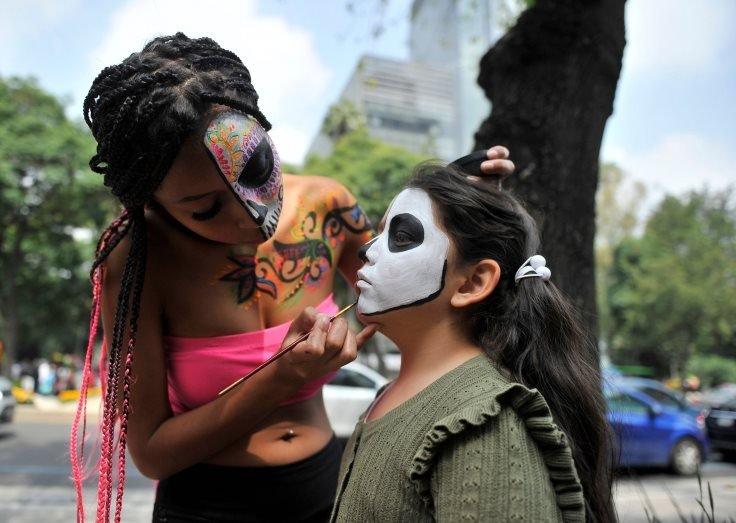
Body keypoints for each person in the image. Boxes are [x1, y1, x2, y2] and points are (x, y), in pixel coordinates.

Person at [69, 32, 515, 522]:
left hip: (327, 490)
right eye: (205, 208)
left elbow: (415, 288)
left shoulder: (328, 207)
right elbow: (152, 452)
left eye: (257, 167)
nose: (247, 216)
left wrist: (447, 205)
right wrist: (281, 377)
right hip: (205, 507)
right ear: (152, 201)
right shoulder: (137, 261)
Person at [331, 164, 615, 522]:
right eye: (379, 232)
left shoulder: (484, 423)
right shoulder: (388, 397)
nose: (367, 250)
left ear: (473, 283)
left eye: (401, 236)